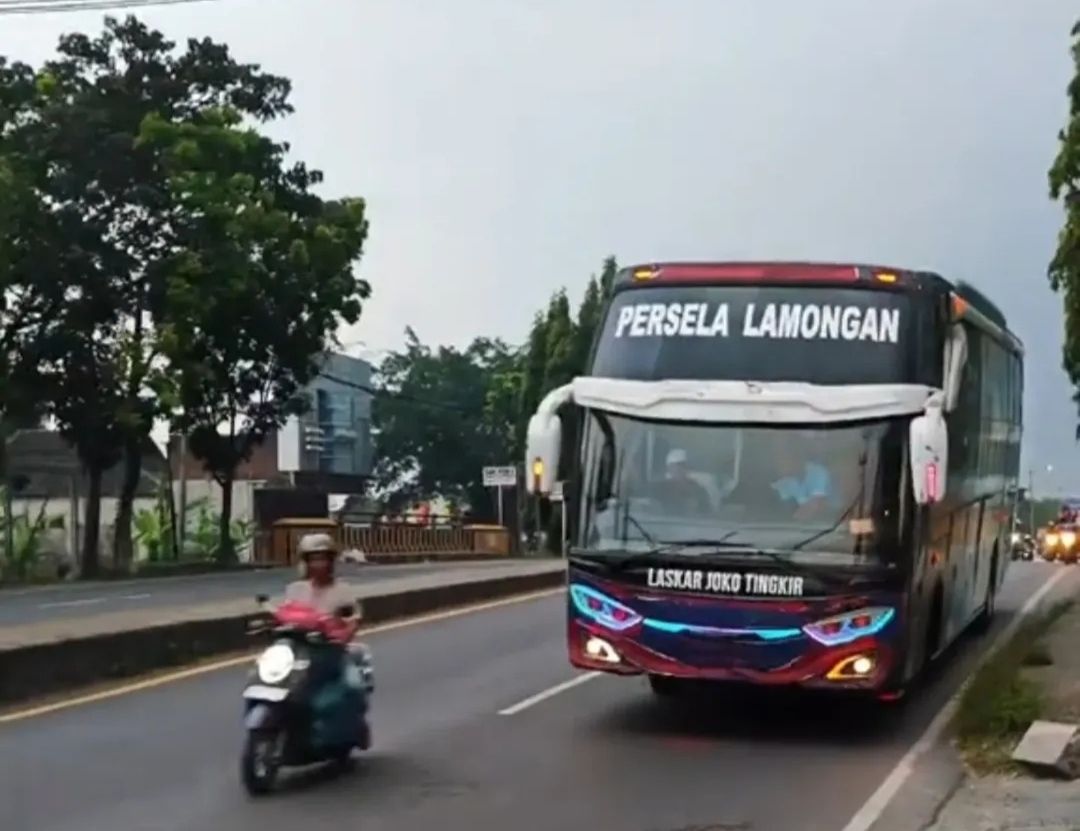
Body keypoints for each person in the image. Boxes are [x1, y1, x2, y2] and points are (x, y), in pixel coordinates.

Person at [285, 532, 372, 749]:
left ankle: (353, 728)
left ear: (331, 561)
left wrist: (344, 633)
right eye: (313, 558)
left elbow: (353, 618)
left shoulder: (342, 590)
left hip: (331, 651)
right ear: (305, 562)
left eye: (323, 558)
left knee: (352, 686)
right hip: (299, 651)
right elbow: (285, 614)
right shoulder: (296, 589)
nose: (318, 563)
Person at [769, 435, 838, 520]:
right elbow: (780, 510)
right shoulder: (784, 483)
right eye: (777, 457)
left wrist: (791, 518)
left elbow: (815, 506)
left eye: (782, 457)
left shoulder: (817, 472)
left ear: (795, 457)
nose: (777, 463)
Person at [657, 447, 711, 513]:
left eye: (682, 466)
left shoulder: (698, 490)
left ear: (687, 468)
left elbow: (708, 514)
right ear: (668, 469)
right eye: (674, 466)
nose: (678, 469)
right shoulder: (660, 488)